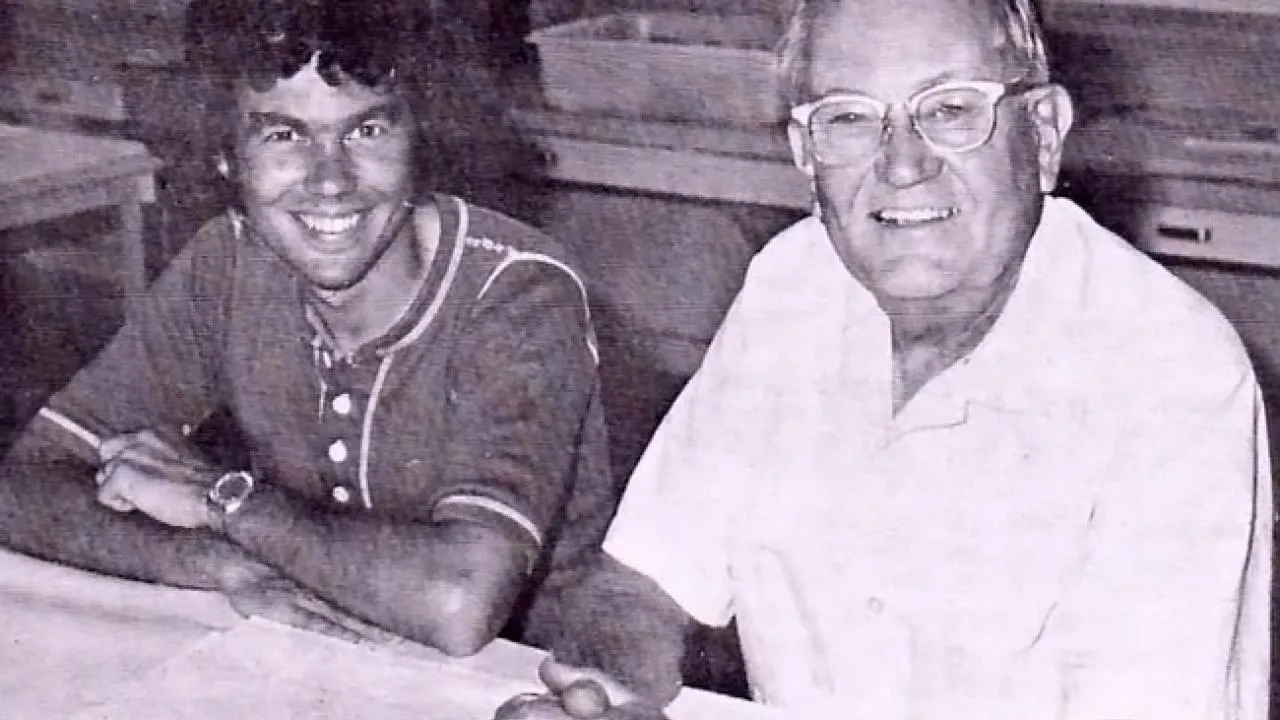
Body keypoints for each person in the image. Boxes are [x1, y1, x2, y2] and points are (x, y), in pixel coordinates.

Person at [499, 0, 1274, 717]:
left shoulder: (1172, 381)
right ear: (805, 153)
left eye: (951, 110)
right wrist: (605, 690)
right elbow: (646, 583)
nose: (902, 164)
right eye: (849, 118)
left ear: (1041, 134)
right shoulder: (795, 285)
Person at [0, 0, 620, 658]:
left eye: (367, 132)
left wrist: (223, 499)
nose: (331, 182)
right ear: (226, 162)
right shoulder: (228, 261)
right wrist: (225, 566)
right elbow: (22, 485)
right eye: (283, 136)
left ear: (421, 144)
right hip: (316, 653)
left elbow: (459, 603)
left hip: (529, 676)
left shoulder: (519, 290)